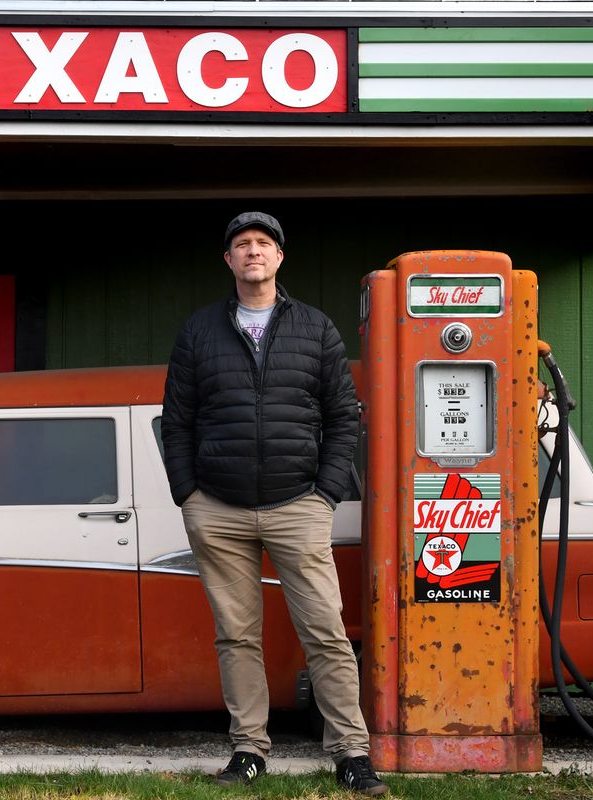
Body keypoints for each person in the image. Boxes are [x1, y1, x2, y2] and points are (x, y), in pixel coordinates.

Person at [161, 212, 388, 796]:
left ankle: (351, 754)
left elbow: (344, 419)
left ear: (279, 257)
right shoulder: (200, 331)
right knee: (236, 635)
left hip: (298, 504)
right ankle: (249, 750)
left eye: (263, 243)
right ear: (229, 260)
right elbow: (178, 421)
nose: (253, 252)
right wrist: (188, 494)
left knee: (326, 631)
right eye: (242, 245)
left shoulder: (315, 329)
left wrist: (325, 493)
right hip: (218, 506)